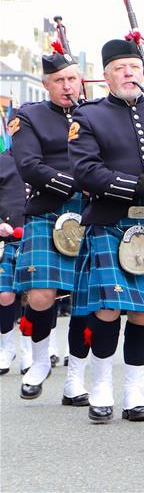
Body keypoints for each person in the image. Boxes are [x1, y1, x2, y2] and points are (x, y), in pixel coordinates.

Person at [68, 38, 144, 422]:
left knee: (143, 312)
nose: (129, 73)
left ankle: (136, 391)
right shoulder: (89, 117)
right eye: (120, 68)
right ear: (106, 76)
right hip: (110, 220)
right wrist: (138, 185)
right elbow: (85, 170)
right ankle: (100, 385)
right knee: (108, 308)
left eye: (134, 66)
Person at [11, 50, 92, 404]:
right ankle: (41, 360)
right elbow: (28, 164)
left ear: (81, 80)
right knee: (42, 295)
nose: (67, 86)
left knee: (88, 301)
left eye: (72, 79)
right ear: (46, 85)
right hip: (50, 209)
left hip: (93, 211)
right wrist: (77, 182)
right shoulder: (28, 117)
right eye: (59, 80)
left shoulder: (95, 115)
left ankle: (76, 377)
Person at [0, 149, 26, 375]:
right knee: (4, 294)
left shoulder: (43, 157)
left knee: (36, 296)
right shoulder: (2, 161)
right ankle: (6, 347)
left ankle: (29, 350)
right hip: (9, 239)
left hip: (40, 235)